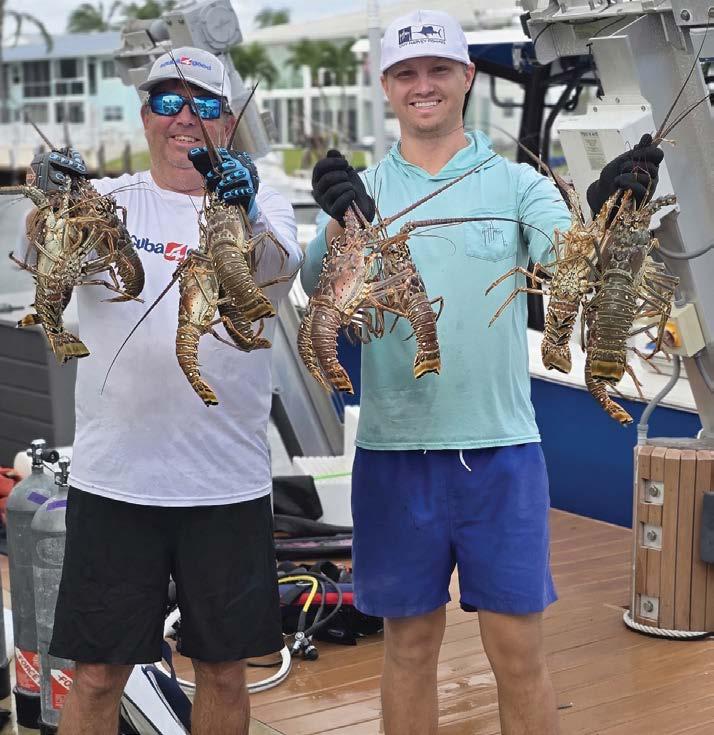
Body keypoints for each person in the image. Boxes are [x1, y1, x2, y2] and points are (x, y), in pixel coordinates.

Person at [302, 9, 663, 735]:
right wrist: (337, 215)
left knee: (518, 651)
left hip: (501, 453)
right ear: (385, 85)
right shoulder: (364, 188)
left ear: (466, 77)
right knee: (408, 646)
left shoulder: (518, 183)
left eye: (439, 69)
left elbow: (567, 256)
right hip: (394, 452)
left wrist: (603, 206)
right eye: (407, 72)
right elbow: (318, 286)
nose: (423, 85)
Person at [23, 47, 301, 735]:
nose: (186, 118)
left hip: (225, 484)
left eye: (204, 104)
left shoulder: (264, 203)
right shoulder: (108, 201)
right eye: (168, 102)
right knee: (95, 674)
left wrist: (243, 206)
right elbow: (37, 258)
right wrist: (48, 201)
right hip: (116, 483)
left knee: (225, 670)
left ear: (228, 120)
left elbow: (278, 269)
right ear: (145, 115)